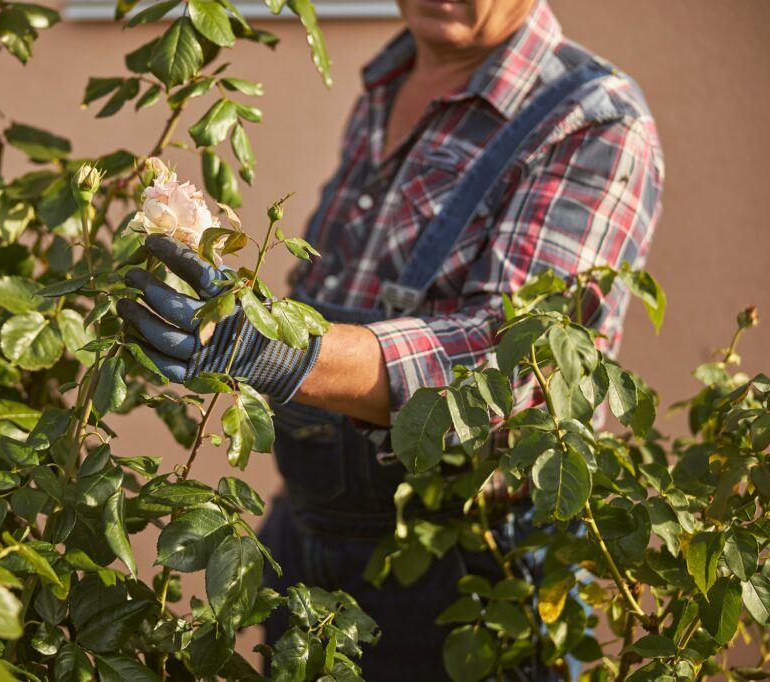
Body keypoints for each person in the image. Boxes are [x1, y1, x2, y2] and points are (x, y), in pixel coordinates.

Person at [117, 0, 664, 677]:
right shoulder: (390, 78)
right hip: (307, 536)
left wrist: (282, 350)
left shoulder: (594, 120)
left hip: (468, 572)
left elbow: (518, 373)